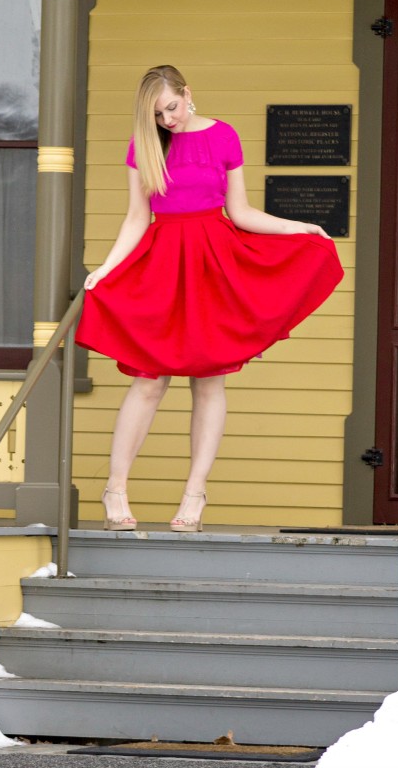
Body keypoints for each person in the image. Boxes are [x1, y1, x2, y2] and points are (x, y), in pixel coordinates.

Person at [75, 65, 343, 533]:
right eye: (158, 114)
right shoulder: (145, 145)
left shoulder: (224, 136)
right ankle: (115, 488)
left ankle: (194, 494)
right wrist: (107, 268)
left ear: (187, 94)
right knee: (148, 382)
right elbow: (137, 219)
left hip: (214, 263)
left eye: (172, 108)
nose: (168, 120)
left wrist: (294, 226)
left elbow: (238, 212)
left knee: (209, 382)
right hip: (162, 265)